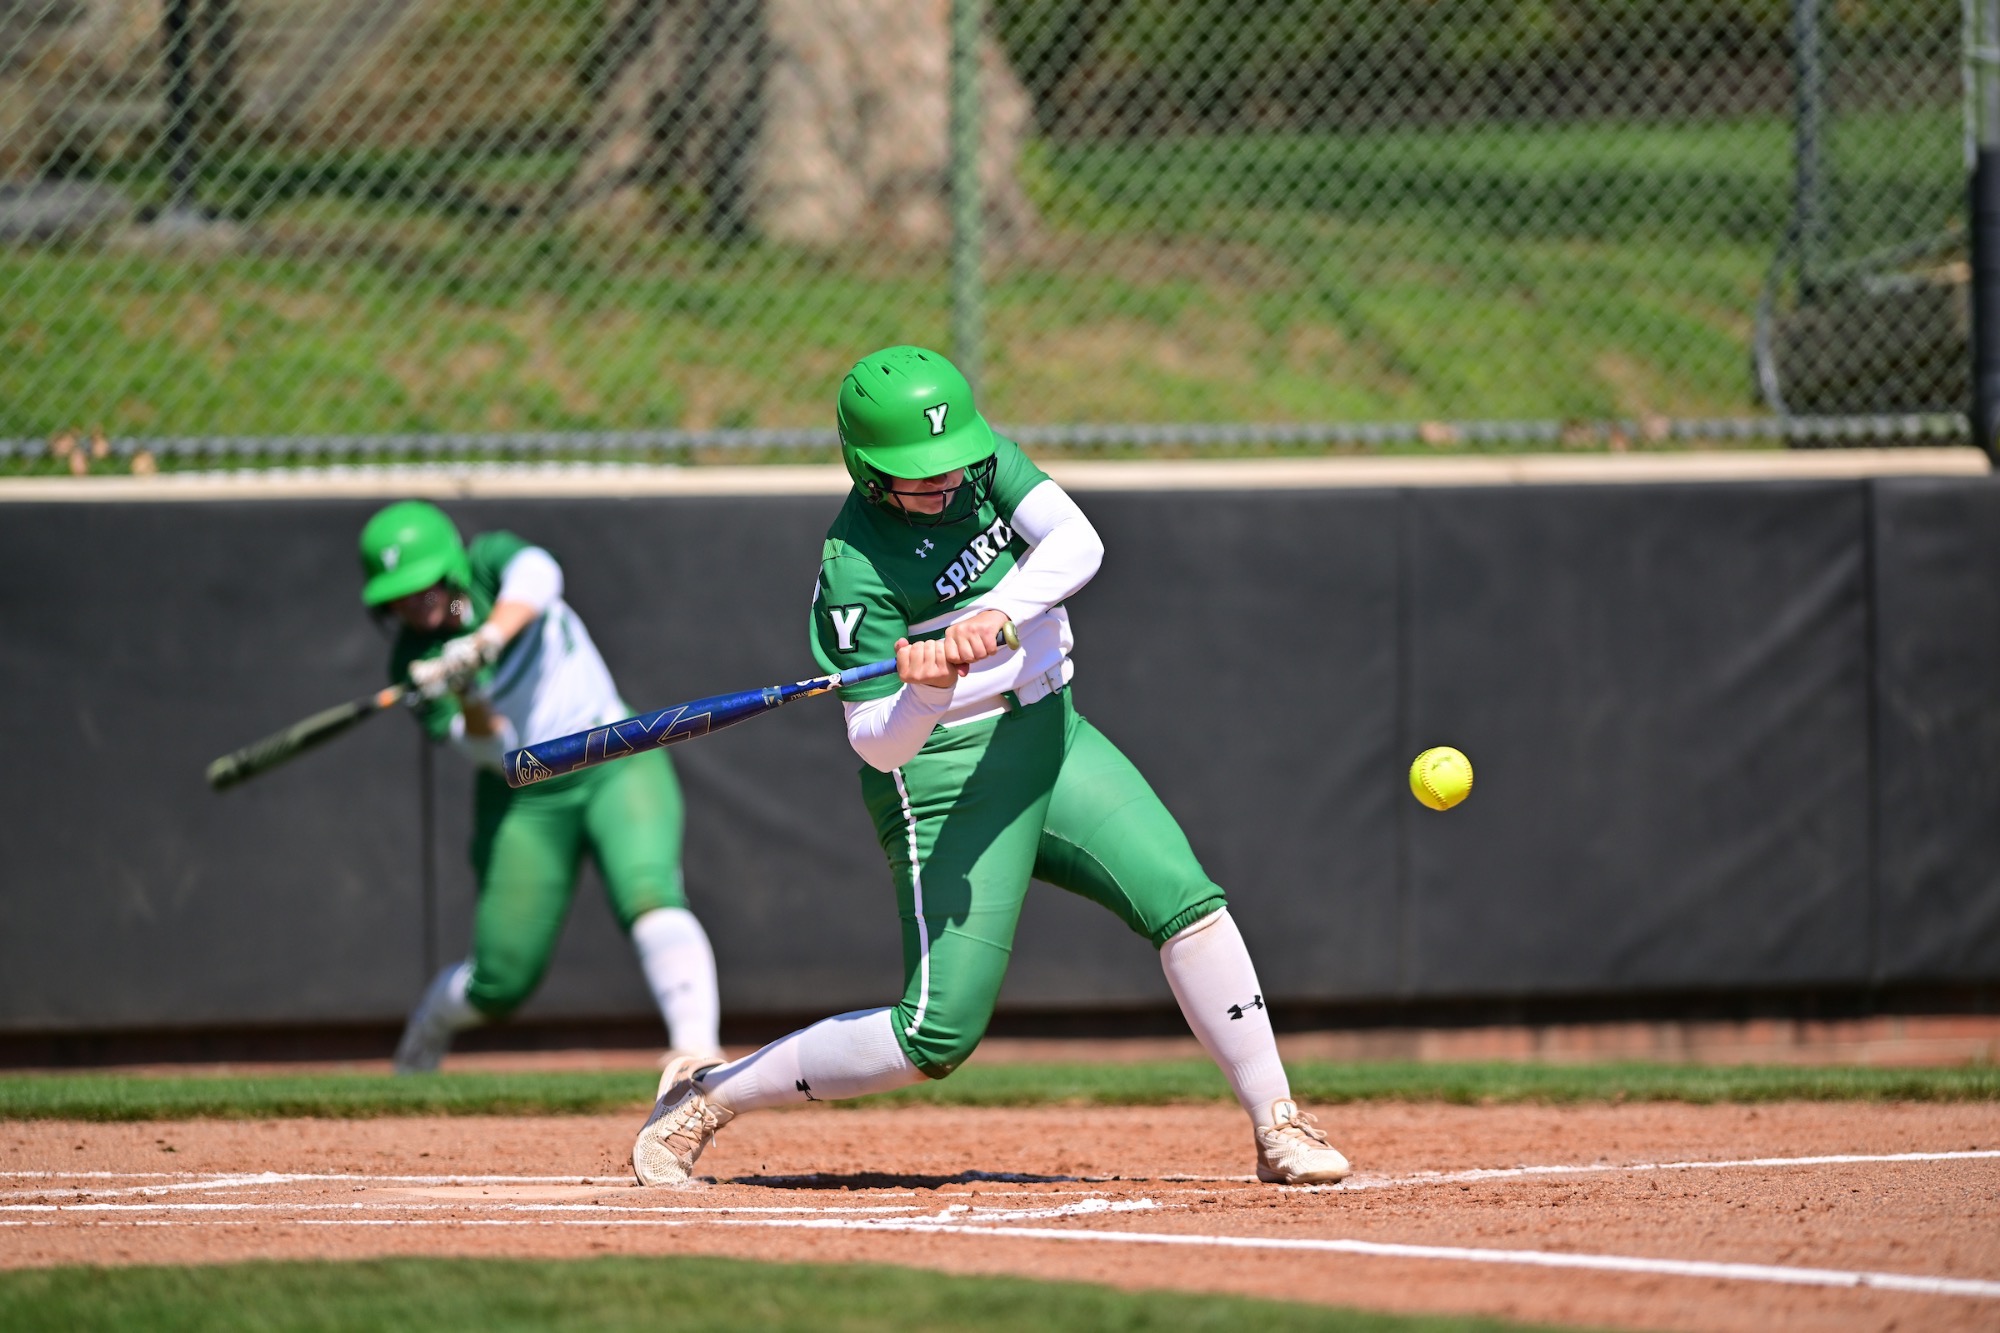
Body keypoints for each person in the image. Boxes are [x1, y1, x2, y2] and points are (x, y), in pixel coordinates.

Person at [630, 346, 1350, 1186]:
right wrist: (927, 690)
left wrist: (998, 611)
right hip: (943, 775)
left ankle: (1278, 1123)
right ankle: (707, 1094)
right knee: (934, 1036)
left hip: (1052, 733)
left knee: (1186, 901)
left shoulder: (983, 465)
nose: (945, 481)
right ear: (869, 471)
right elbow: (877, 741)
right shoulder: (854, 568)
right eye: (919, 472)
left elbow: (1078, 541)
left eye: (952, 460)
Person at [357, 501, 722, 1074]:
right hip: (526, 797)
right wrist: (466, 692)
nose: (414, 603)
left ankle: (698, 1058)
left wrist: (485, 641)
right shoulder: (413, 663)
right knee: (501, 982)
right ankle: (431, 1022)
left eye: (424, 586)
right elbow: (490, 749)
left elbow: (541, 572)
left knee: (649, 893)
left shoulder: (489, 564)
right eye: (399, 596)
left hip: (616, 755)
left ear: (450, 569)